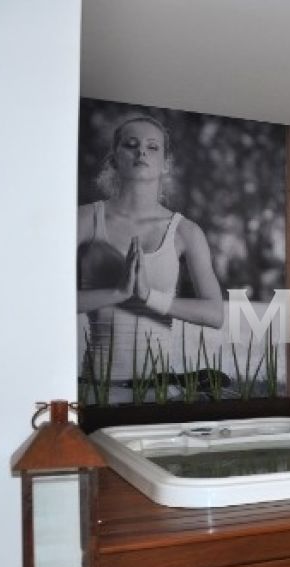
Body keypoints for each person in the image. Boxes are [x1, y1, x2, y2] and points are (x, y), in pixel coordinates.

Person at [77, 114, 224, 401]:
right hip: (94, 392)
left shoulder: (186, 232)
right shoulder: (85, 219)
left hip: (160, 394)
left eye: (152, 147)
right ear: (114, 159)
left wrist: (149, 296)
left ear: (165, 164)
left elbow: (215, 314)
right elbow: (48, 303)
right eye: (131, 145)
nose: (141, 152)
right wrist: (118, 293)